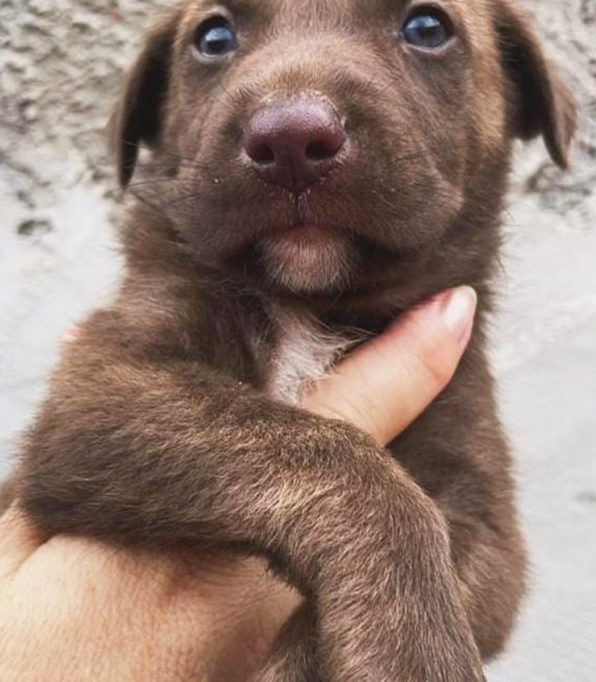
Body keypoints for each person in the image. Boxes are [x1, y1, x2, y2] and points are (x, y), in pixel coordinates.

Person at [0, 287, 477, 682]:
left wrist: (317, 656)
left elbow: (483, 546)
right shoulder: (178, 285)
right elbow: (83, 435)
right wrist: (348, 496)